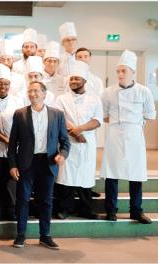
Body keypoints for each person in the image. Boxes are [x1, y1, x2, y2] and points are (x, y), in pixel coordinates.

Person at [9, 81, 71, 249]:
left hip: (48, 162)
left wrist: (62, 155)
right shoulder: (19, 114)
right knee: (22, 199)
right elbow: (13, 142)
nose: (32, 94)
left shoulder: (57, 114)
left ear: (44, 94)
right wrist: (13, 165)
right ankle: (20, 235)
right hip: (26, 163)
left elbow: (65, 141)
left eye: (36, 91)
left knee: (46, 201)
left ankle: (45, 236)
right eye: (30, 91)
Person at [101, 50, 155, 224]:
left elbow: (150, 114)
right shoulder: (108, 92)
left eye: (124, 71)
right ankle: (111, 211)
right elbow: (103, 114)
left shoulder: (143, 91)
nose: (120, 74)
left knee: (136, 174)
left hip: (135, 135)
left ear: (133, 72)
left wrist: (133, 123)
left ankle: (136, 211)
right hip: (115, 134)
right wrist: (118, 123)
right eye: (118, 71)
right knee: (111, 174)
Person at [53, 61, 102, 220]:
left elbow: (97, 120)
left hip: (87, 142)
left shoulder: (95, 99)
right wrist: (74, 133)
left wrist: (80, 130)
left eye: (77, 79)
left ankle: (86, 209)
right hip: (68, 142)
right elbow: (59, 118)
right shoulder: (62, 99)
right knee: (66, 176)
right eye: (72, 78)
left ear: (85, 80)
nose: (73, 81)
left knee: (85, 176)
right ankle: (65, 209)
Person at [0, 64, 24, 221]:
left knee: (11, 182)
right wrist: (7, 140)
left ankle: (11, 210)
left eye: (6, 84)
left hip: (14, 150)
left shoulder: (17, 101)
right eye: (0, 83)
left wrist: (14, 143)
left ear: (10, 85)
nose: (3, 87)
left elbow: (23, 124)